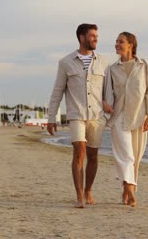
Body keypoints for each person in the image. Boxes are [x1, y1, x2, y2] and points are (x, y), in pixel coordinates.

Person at [46, 23, 109, 208]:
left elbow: (109, 91)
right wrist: (51, 118)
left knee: (93, 155)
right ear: (82, 37)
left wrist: (109, 109)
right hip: (76, 114)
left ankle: (88, 189)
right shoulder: (65, 62)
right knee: (79, 151)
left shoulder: (104, 62)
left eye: (97, 35)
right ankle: (79, 195)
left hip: (97, 116)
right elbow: (57, 91)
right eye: (92, 36)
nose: (96, 39)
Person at [104, 32, 148, 207]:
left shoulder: (144, 66)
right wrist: (106, 105)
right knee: (126, 155)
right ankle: (131, 191)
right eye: (116, 41)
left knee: (135, 157)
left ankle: (125, 190)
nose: (116, 44)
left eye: (121, 42)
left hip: (139, 116)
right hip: (118, 116)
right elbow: (107, 94)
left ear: (131, 45)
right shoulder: (112, 69)